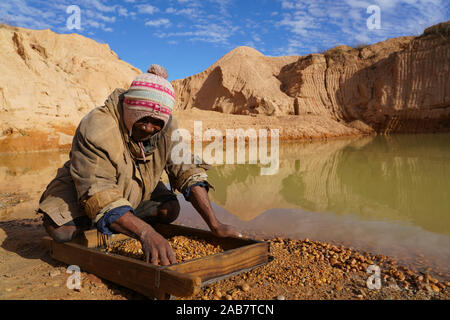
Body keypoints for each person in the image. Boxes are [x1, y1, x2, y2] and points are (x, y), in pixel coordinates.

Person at [38, 64, 241, 266]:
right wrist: (145, 233)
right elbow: (98, 190)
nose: (148, 128)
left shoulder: (167, 126)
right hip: (84, 185)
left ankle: (118, 219)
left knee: (169, 210)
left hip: (135, 185)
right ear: (131, 109)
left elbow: (187, 169)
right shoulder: (98, 126)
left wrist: (214, 224)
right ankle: (111, 219)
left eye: (156, 123)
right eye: (143, 120)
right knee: (62, 232)